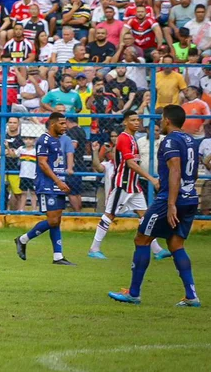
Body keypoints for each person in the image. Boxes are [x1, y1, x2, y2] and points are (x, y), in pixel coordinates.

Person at [110, 104, 201, 307]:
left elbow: (175, 170)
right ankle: (192, 296)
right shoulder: (191, 140)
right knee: (176, 244)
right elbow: (192, 172)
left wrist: (170, 203)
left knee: (141, 239)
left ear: (167, 120)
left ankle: (133, 293)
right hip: (190, 197)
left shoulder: (170, 141)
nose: (160, 122)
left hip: (171, 199)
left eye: (161, 119)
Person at [88, 111, 168, 260]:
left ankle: (157, 250)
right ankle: (94, 248)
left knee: (145, 216)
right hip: (122, 184)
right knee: (109, 215)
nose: (137, 122)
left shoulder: (132, 139)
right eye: (133, 120)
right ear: (125, 122)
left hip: (133, 185)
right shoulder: (124, 139)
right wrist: (152, 178)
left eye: (138, 120)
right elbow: (130, 163)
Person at [15, 112, 75, 265]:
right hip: (47, 185)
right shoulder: (44, 139)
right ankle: (23, 239)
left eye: (65, 123)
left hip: (58, 184)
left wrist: (62, 181)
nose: (65, 126)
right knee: (53, 220)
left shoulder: (57, 140)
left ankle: (58, 256)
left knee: (56, 221)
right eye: (62, 123)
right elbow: (42, 163)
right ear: (53, 124)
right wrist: (58, 182)